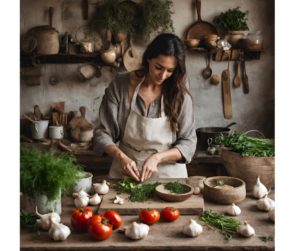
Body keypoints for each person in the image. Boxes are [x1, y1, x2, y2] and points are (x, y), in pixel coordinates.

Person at [93, 33, 197, 183]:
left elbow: (188, 143)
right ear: (148, 58)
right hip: (125, 175)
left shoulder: (179, 90)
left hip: (169, 178)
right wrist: (120, 156)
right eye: (158, 67)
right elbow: (102, 134)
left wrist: (157, 158)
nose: (163, 75)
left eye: (170, 70)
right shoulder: (120, 85)